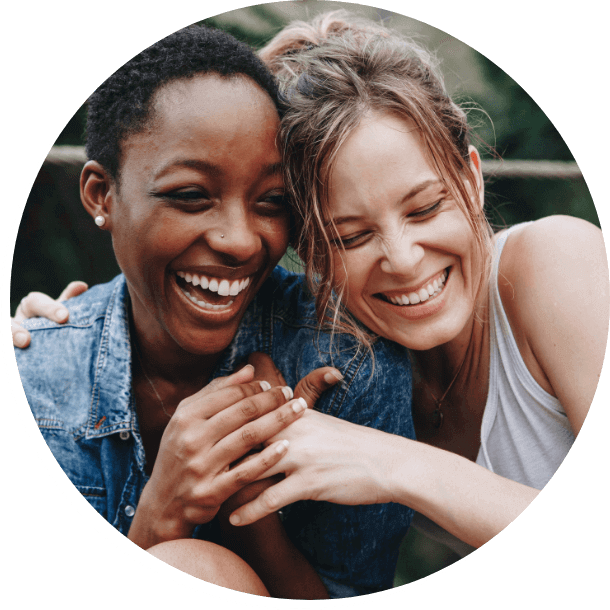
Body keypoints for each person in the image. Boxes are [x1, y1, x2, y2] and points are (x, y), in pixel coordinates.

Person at [11, 23, 415, 599]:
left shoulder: (348, 362)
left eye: (271, 202)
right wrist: (158, 518)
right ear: (103, 195)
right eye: (191, 195)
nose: (240, 241)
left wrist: (250, 505)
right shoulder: (37, 379)